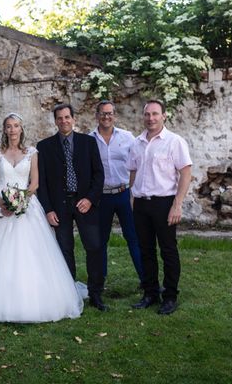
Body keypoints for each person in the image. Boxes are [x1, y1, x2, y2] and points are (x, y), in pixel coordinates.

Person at [0, 113, 84, 322]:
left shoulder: (32, 153)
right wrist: (2, 202)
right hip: (0, 206)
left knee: (30, 253)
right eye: (8, 126)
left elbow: (35, 183)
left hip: (27, 207)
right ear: (5, 129)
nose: (12, 130)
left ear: (21, 128)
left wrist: (19, 201)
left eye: (16, 126)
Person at [37, 103, 108, 311]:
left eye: (67, 117)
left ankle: (96, 294)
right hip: (60, 206)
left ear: (73, 119)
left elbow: (98, 174)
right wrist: (48, 209)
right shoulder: (45, 146)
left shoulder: (88, 143)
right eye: (59, 118)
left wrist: (90, 199)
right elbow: (42, 182)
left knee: (94, 247)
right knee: (64, 249)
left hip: (85, 202)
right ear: (55, 121)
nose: (64, 121)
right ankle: (68, 293)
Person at [127, 99, 192, 315]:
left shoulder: (174, 142)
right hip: (141, 204)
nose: (151, 118)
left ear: (164, 116)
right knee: (145, 250)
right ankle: (150, 293)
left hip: (164, 203)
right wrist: (132, 197)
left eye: (155, 114)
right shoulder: (136, 143)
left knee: (168, 250)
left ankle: (170, 296)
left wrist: (177, 204)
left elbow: (185, 173)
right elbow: (133, 172)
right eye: (147, 114)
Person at [89, 100, 144, 287]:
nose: (106, 117)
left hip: (123, 194)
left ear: (115, 115)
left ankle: (146, 280)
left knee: (134, 237)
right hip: (102, 197)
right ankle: (100, 281)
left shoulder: (128, 137)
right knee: (101, 240)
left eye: (110, 113)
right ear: (97, 116)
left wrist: (134, 192)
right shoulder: (89, 140)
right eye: (103, 113)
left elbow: (138, 163)